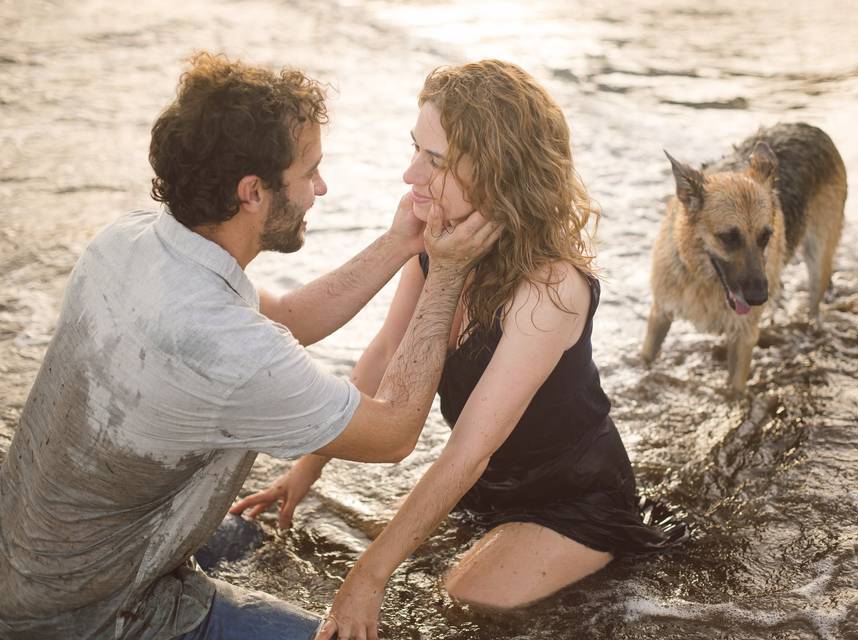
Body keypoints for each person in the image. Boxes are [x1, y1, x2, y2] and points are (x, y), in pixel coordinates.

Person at [0, 52, 499, 640]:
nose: (320, 187)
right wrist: (444, 275)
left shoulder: (131, 241)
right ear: (253, 193)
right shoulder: (226, 349)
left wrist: (397, 245)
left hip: (29, 557)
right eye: (308, 171)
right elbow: (393, 435)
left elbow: (288, 318)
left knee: (250, 534)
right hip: (86, 616)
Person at [231, 60, 686, 640]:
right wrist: (308, 469)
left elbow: (467, 450)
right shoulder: (438, 243)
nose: (409, 174)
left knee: (458, 599)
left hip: (573, 502)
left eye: (436, 161)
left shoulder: (552, 289)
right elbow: (385, 355)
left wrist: (368, 577)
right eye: (415, 150)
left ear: (497, 172)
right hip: (489, 492)